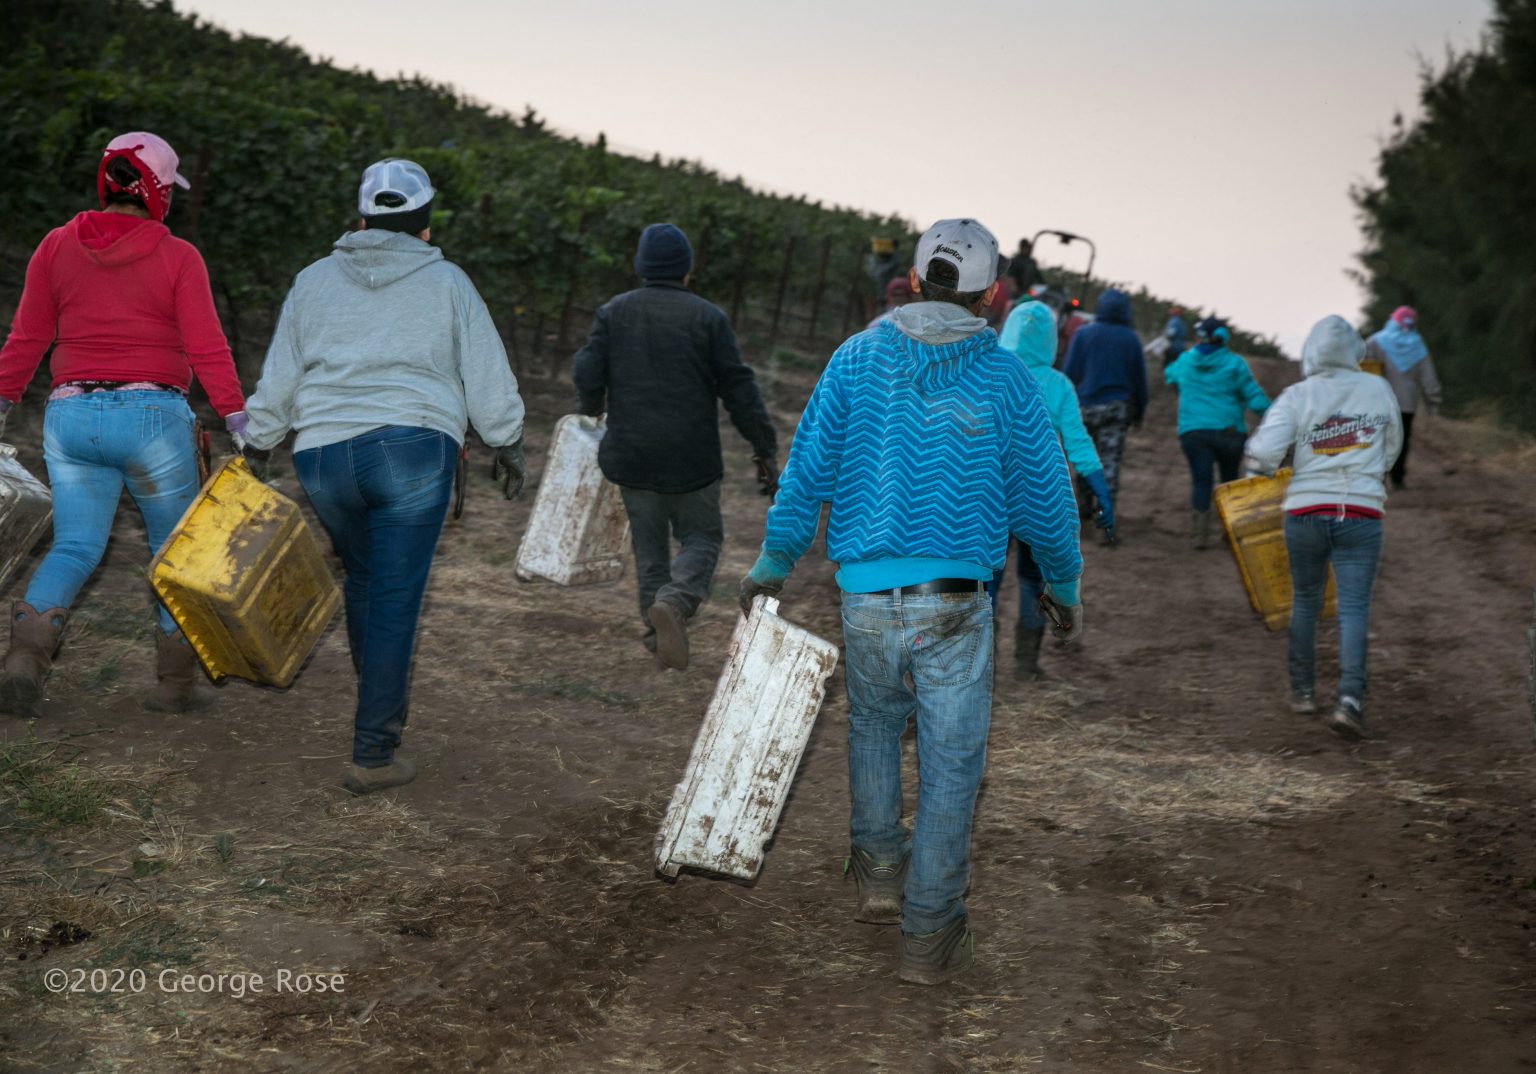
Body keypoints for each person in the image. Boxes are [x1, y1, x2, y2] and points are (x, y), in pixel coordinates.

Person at [738, 219, 1083, 985]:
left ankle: (879, 871)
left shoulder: (857, 356)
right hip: (954, 602)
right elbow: (1044, 499)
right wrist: (1062, 584)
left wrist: (774, 560)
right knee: (952, 764)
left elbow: (807, 470)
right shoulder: (1006, 379)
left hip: (864, 594)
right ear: (992, 295)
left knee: (872, 723)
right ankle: (930, 930)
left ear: (918, 279)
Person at [241, 158, 526, 795]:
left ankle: (379, 694)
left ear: (362, 219)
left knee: (366, 579)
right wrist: (507, 440)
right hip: (413, 449)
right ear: (425, 224)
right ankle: (373, 752)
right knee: (394, 596)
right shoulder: (449, 282)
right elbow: (486, 373)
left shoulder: (313, 280)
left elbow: (280, 376)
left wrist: (259, 442)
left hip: (323, 459)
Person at [0, 131, 247, 717]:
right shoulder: (179, 256)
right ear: (159, 192)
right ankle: (175, 684)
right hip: (152, 420)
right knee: (171, 550)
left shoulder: (56, 245)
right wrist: (236, 416)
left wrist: (2, 401)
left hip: (71, 417)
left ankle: (22, 663)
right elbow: (206, 345)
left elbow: (27, 337)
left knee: (75, 546)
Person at [573, 223, 777, 671]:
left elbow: (586, 370)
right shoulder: (708, 318)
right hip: (691, 460)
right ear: (687, 269)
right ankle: (676, 602)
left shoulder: (614, 312)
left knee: (649, 546)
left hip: (631, 455)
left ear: (641, 266)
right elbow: (739, 388)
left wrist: (591, 407)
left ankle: (656, 637)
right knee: (702, 537)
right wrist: (763, 445)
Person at [1243, 315, 1402, 741]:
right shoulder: (1377, 389)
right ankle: (1350, 700)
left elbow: (1263, 453)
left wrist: (1262, 470)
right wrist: (1369, 473)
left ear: (1311, 351)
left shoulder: (1299, 394)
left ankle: (1302, 692)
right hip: (1362, 514)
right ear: (1355, 349)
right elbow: (1391, 450)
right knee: (1353, 608)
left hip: (1306, 512)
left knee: (1306, 601)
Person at [991, 300, 1113, 679]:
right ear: (1051, 340)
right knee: (1033, 578)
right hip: (1038, 500)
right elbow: (1077, 443)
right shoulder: (1059, 386)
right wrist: (1100, 488)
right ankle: (1026, 664)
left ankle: (979, 663)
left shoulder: (987, 373)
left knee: (984, 580)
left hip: (987, 498)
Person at [1163, 316, 1271, 549]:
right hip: (1229, 432)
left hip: (1194, 432)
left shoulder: (1186, 360)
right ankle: (1229, 533)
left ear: (1201, 336)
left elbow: (1169, 375)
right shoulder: (1235, 363)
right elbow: (1254, 397)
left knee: (1201, 481)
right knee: (1229, 481)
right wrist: (1276, 417)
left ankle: (1199, 535)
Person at [1061, 288, 1148, 529]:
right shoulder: (1131, 339)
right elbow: (1139, 381)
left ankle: (1084, 507)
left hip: (1085, 408)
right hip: (1116, 410)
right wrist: (1140, 411)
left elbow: (1070, 373)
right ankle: (1105, 519)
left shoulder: (1083, 334)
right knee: (1109, 464)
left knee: (1085, 459)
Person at [1363, 306, 1441, 489]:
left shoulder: (1375, 341)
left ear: (1393, 319)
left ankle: (1378, 477)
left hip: (1379, 401)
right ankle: (1398, 479)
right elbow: (1427, 374)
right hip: (1406, 402)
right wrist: (1433, 397)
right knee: (1401, 441)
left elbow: (1363, 368)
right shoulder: (1417, 344)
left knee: (1378, 439)